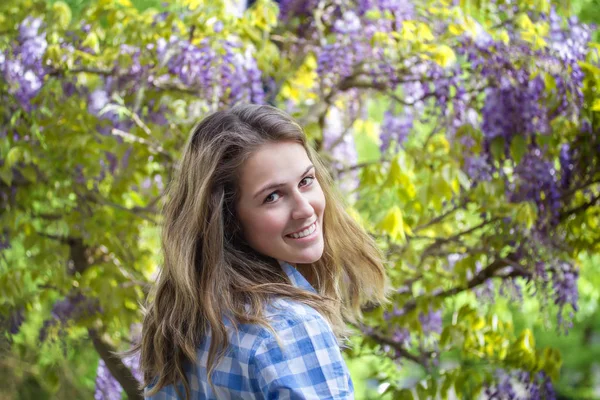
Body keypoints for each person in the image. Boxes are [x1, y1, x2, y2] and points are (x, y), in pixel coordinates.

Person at [136, 104, 391, 399]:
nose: (305, 209)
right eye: (273, 196)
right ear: (228, 220)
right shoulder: (290, 329)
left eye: (306, 181)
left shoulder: (178, 324)